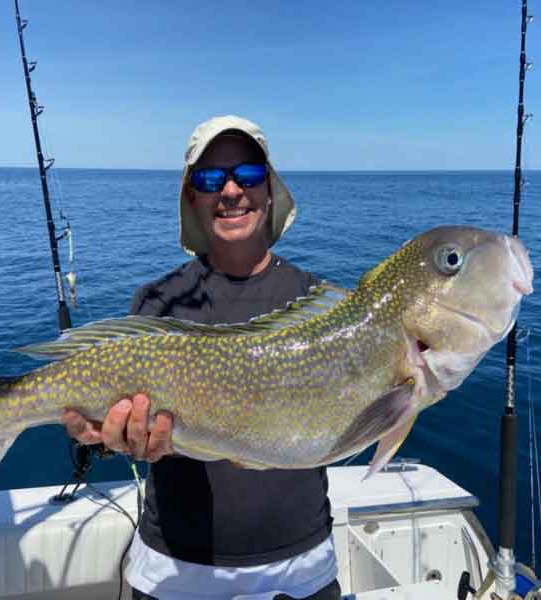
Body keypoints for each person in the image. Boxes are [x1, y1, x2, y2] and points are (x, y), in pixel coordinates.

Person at [62, 115, 339, 600]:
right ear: (193, 197)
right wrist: (107, 439)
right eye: (211, 179)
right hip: (176, 572)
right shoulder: (157, 302)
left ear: (270, 190)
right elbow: (123, 429)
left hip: (303, 570)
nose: (231, 190)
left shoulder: (319, 302)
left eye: (247, 175)